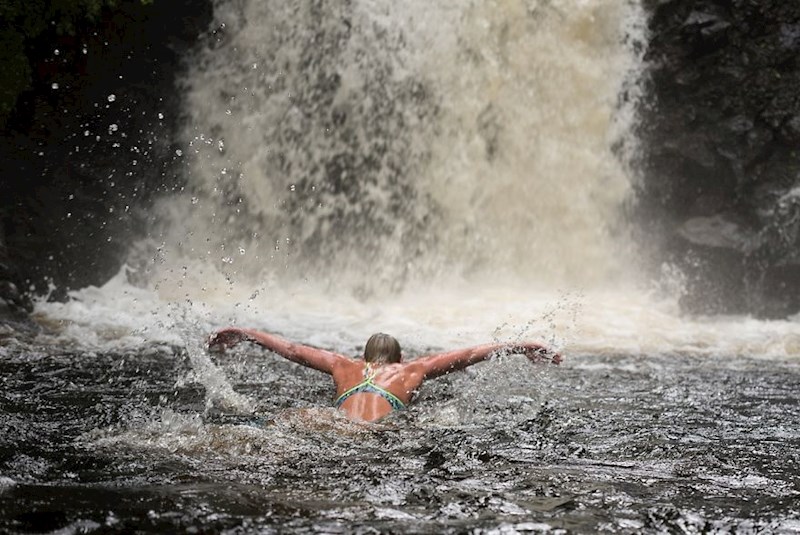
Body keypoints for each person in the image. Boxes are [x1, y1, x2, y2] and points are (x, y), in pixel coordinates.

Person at [207, 328, 562, 422]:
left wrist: (247, 332)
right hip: (378, 432)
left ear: (363, 358)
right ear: (399, 357)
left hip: (333, 423)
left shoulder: (342, 365)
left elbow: (294, 351)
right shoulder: (411, 368)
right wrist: (523, 344)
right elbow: (469, 355)